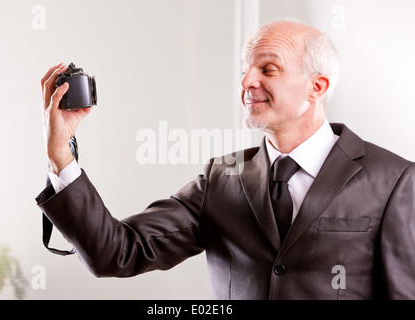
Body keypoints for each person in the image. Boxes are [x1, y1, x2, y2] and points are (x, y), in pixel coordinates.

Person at [36, 20, 415, 299]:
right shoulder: (222, 178)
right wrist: (60, 156)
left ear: (317, 87)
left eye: (268, 69)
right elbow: (117, 252)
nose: (247, 81)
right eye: (245, 70)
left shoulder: (394, 180)